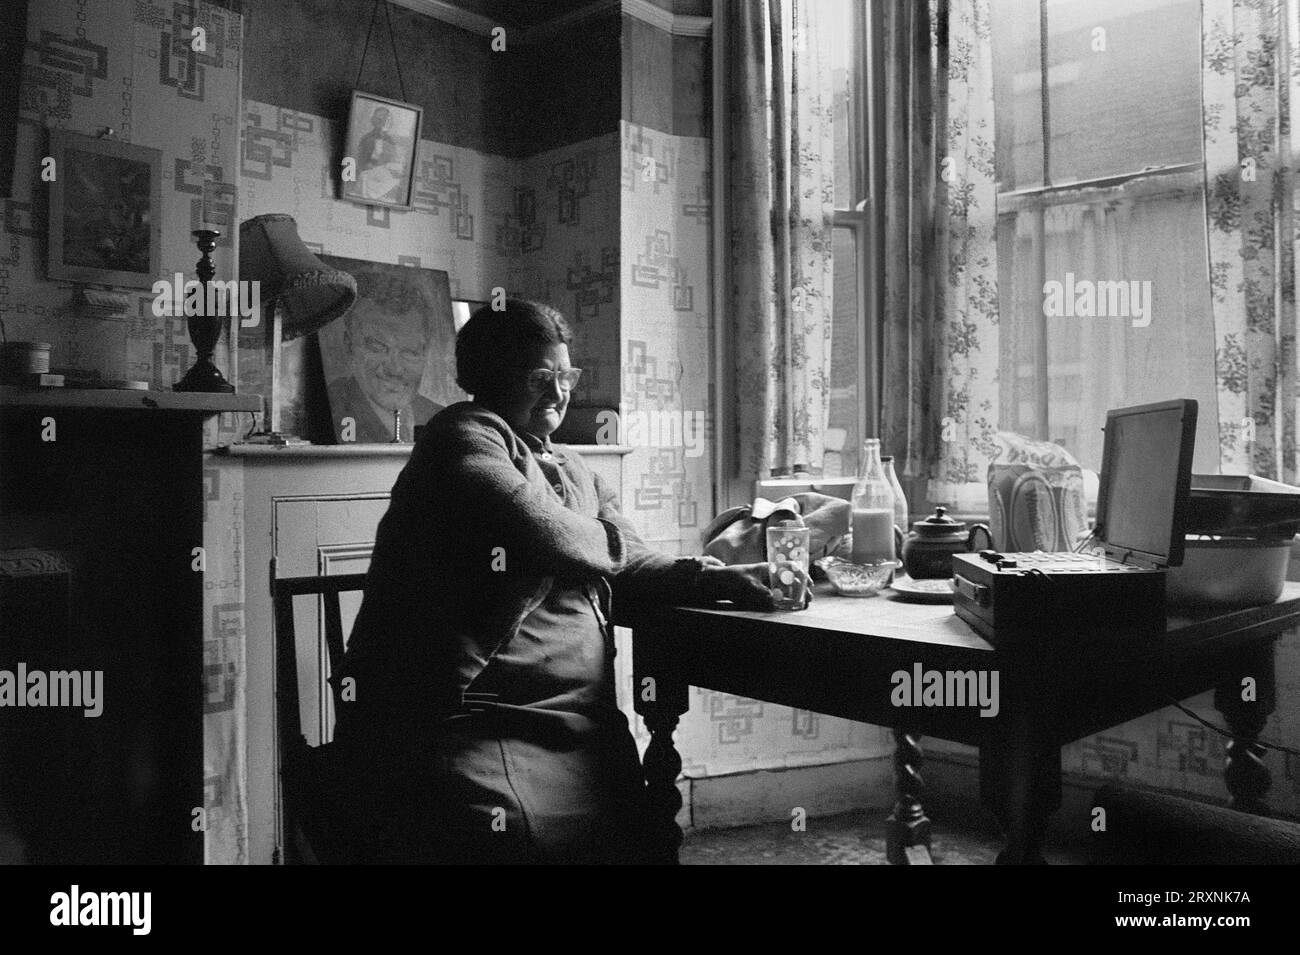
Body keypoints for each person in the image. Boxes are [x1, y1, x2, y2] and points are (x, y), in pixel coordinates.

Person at [332, 299, 773, 864]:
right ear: (489, 378)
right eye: (542, 377)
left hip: (574, 719)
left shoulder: (573, 467)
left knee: (633, 830)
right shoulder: (460, 438)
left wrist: (717, 579)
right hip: (471, 716)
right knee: (509, 837)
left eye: (565, 376)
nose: (559, 392)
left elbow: (629, 563)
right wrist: (606, 540)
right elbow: (541, 533)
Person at [325, 269, 443, 442]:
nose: (394, 369)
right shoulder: (331, 408)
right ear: (350, 345)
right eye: (377, 347)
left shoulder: (438, 417)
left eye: (410, 352)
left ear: (425, 354)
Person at [354, 105, 405, 202]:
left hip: (386, 174)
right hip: (370, 176)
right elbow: (365, 163)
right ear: (374, 121)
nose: (383, 123)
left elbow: (395, 161)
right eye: (380, 119)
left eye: (386, 120)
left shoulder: (390, 140)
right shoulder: (368, 139)